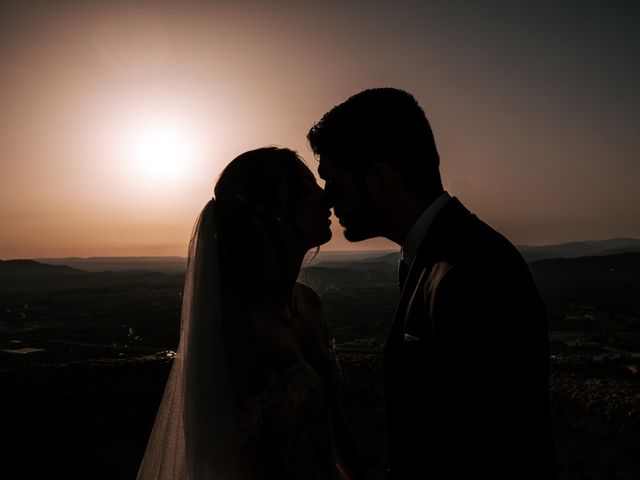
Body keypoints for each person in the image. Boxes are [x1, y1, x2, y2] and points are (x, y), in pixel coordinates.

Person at [308, 88, 556, 479]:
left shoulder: (470, 272)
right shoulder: (437, 254)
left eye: (333, 182)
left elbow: (492, 449)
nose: (326, 200)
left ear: (378, 180)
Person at [137, 147, 364, 479]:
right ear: (269, 213)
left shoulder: (310, 304)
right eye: (304, 188)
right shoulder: (234, 324)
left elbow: (333, 418)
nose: (324, 197)